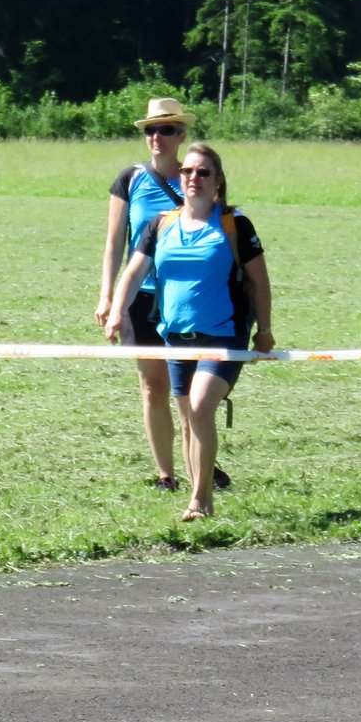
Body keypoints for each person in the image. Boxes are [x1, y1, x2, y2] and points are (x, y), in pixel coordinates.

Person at [104, 142, 273, 522]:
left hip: (224, 335)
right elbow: (134, 272)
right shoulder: (161, 224)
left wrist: (264, 330)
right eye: (187, 172)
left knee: (199, 408)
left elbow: (260, 283)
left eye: (202, 172)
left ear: (218, 181)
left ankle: (200, 499)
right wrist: (117, 312)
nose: (193, 178)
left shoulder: (234, 224)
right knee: (188, 421)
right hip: (176, 338)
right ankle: (199, 494)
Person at [96, 98, 192, 490]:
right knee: (153, 387)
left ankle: (201, 465)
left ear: (181, 135)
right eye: (151, 130)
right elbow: (114, 242)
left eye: (166, 130)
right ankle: (166, 474)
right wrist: (107, 296)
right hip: (140, 297)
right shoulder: (130, 180)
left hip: (185, 298)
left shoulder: (196, 177)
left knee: (188, 391)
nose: (157, 137)